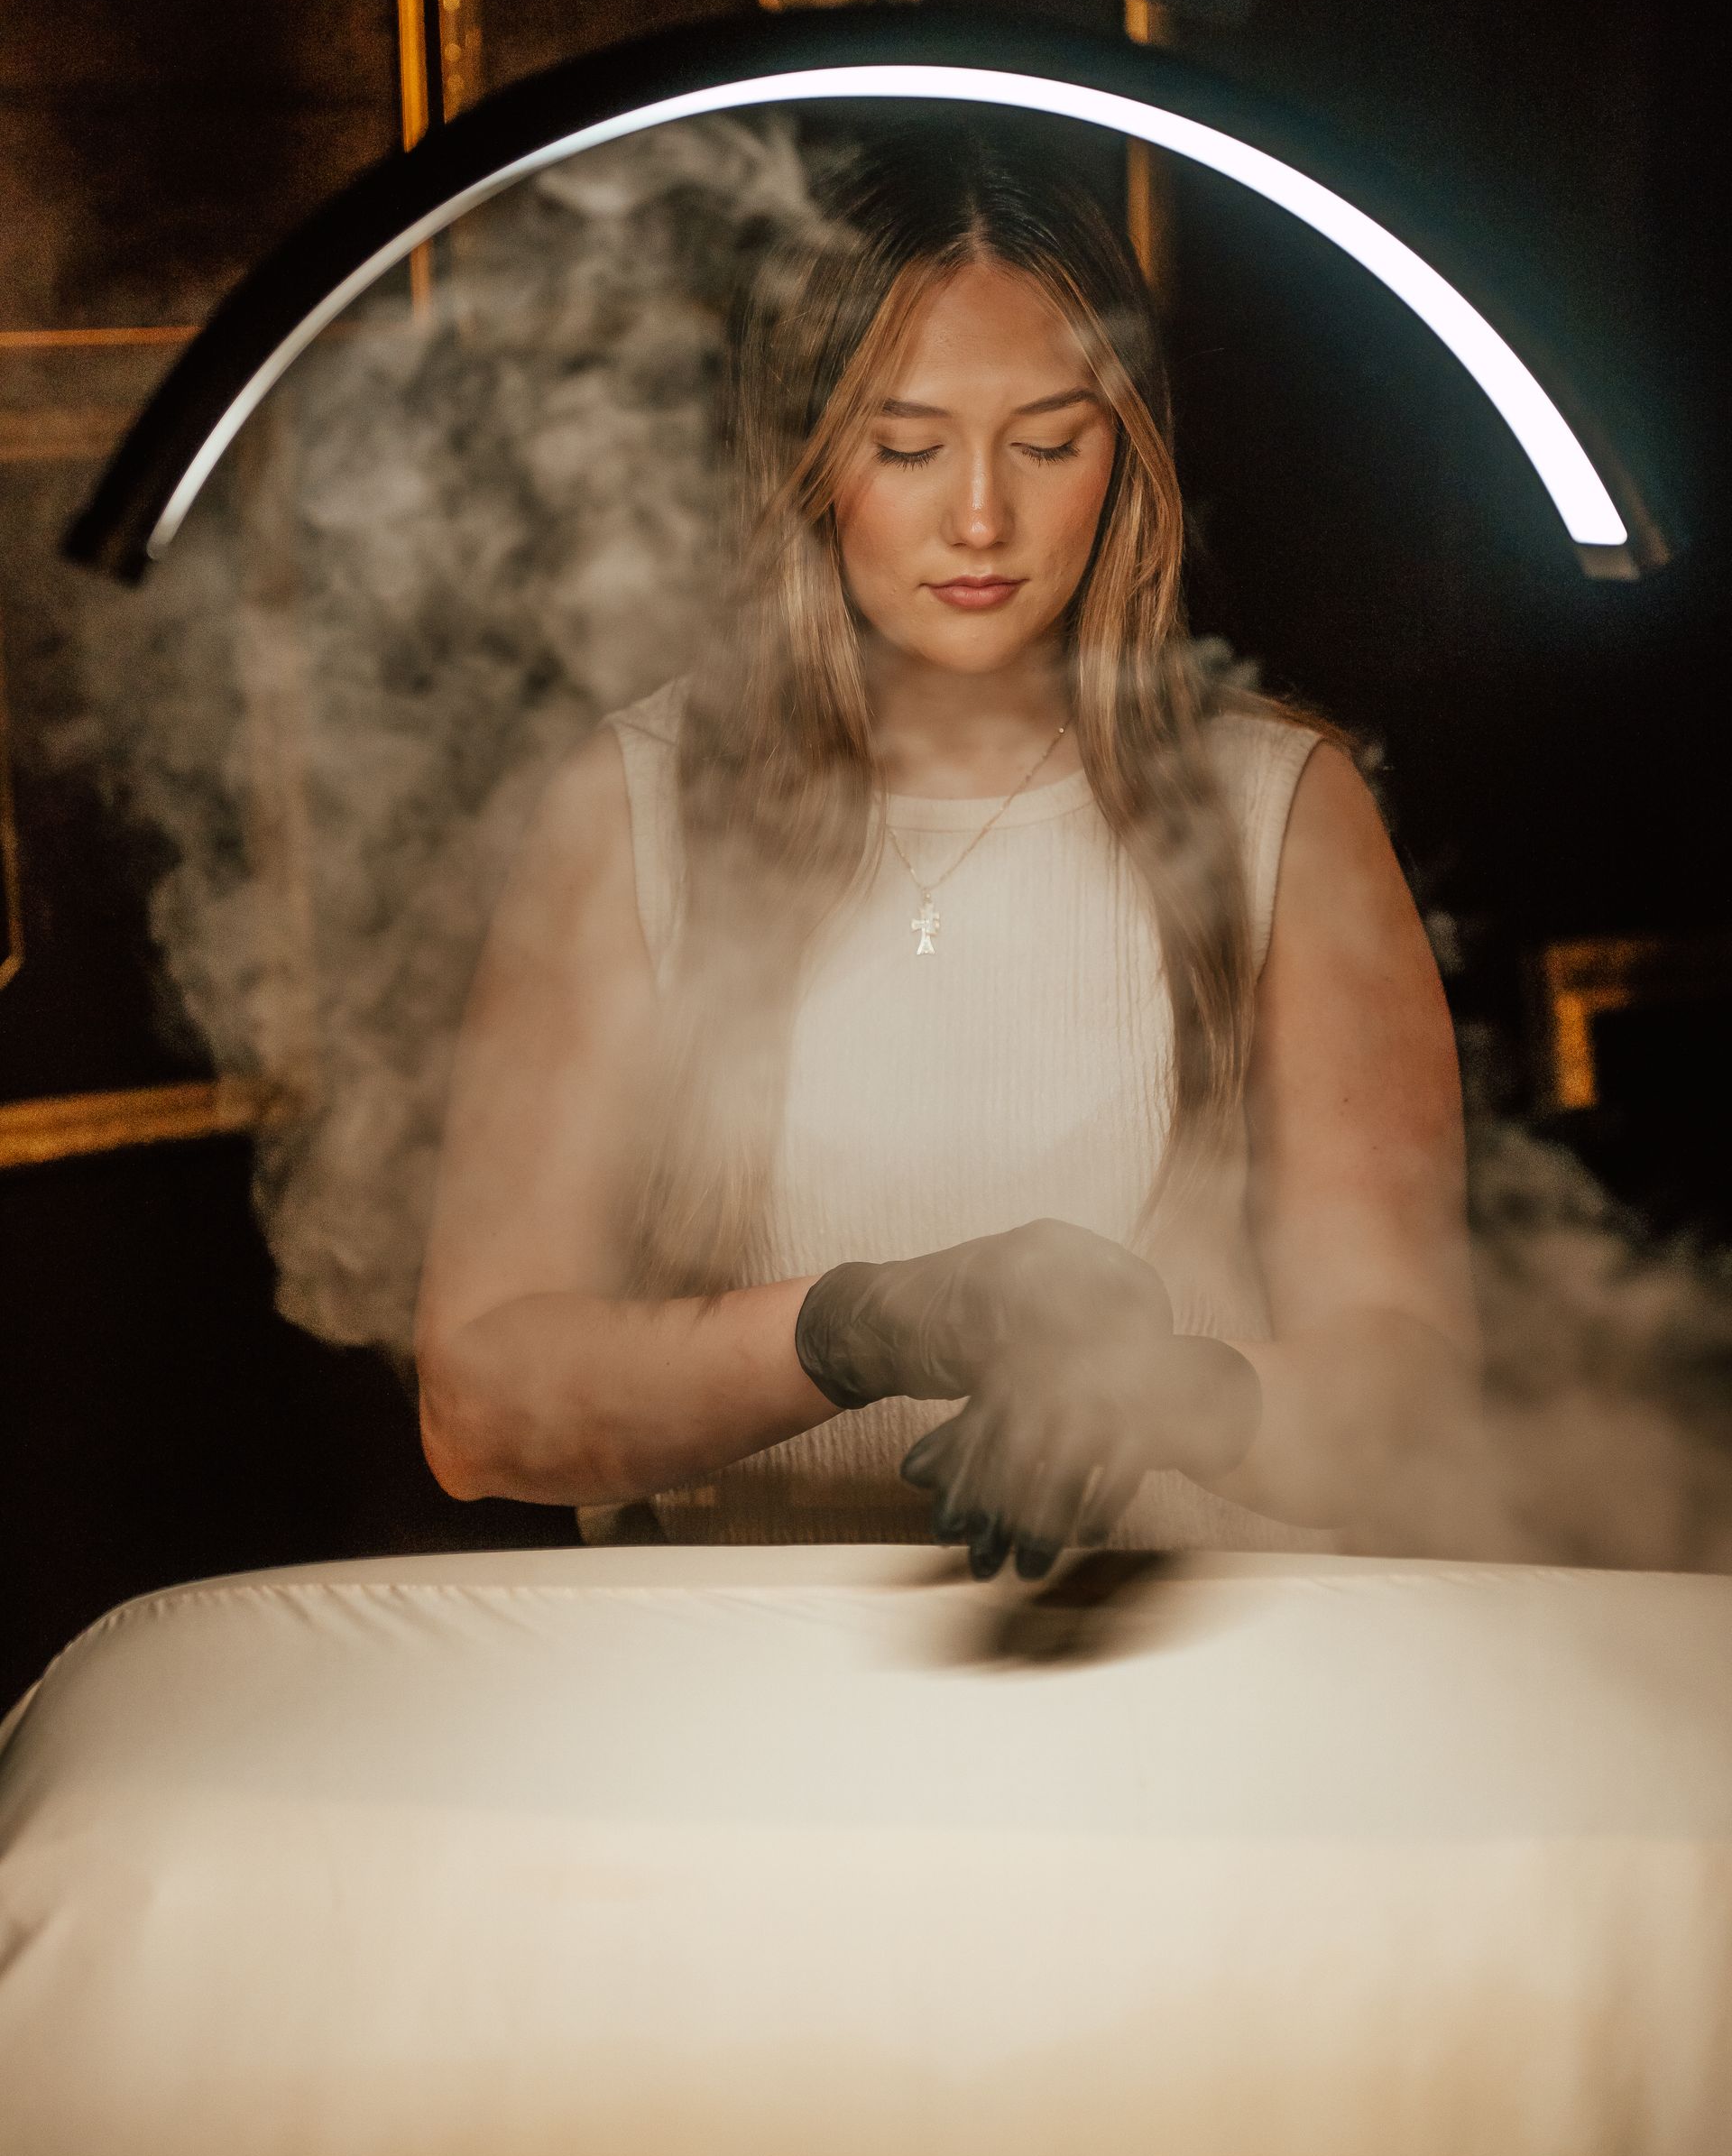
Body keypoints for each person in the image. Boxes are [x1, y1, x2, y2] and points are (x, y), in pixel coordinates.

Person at [414, 117, 1479, 1576]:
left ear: (1130, 451)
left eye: (1050, 441)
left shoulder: (1279, 809)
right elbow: (479, 1413)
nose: (983, 516)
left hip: (1198, 1685)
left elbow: (1410, 1402)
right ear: (801, 453)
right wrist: (853, 1331)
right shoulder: (631, 807)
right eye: (906, 445)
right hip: (728, 1683)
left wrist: (1178, 1395)